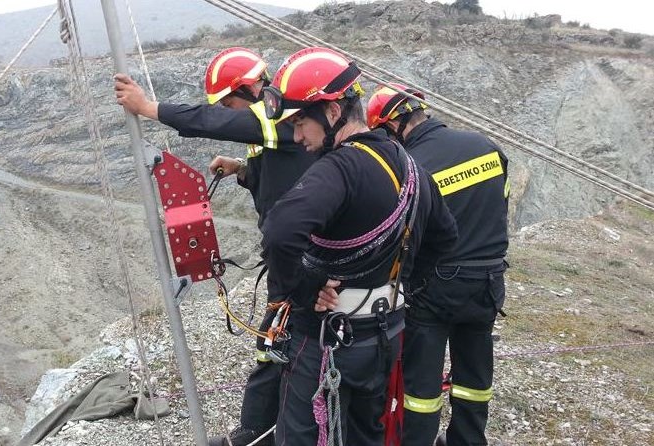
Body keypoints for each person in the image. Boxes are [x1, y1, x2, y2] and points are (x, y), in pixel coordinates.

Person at [114, 47, 318, 446]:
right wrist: (243, 170)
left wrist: (149, 107)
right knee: (276, 344)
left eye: (230, 101)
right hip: (290, 256)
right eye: (227, 104)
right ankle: (264, 431)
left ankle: (261, 434)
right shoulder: (272, 127)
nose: (229, 111)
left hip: (303, 259)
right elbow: (284, 176)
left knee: (282, 345)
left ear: (251, 87)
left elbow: (214, 122)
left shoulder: (283, 114)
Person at [259, 47, 458, 446]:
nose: (296, 137)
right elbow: (445, 236)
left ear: (332, 112)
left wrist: (303, 289)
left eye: (300, 123)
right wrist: (400, 285)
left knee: (302, 434)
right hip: (385, 334)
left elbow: (280, 232)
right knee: (366, 432)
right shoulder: (410, 166)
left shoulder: (339, 168)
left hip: (326, 340)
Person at [367, 84, 510, 446]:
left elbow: (403, 233)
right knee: (475, 378)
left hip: (437, 284)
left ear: (391, 127)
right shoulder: (487, 147)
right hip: (489, 281)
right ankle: (468, 439)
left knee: (422, 386)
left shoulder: (413, 165)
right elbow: (499, 207)